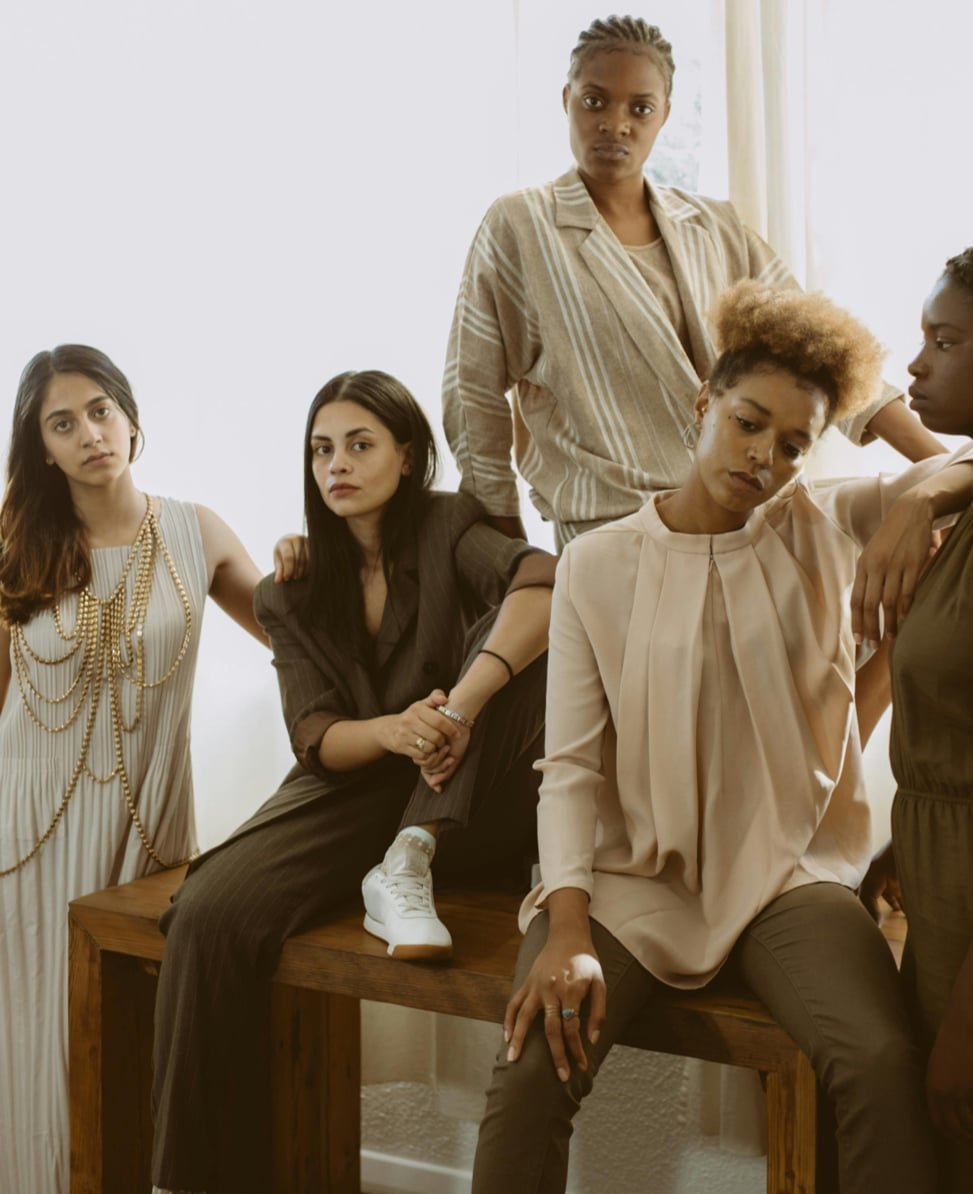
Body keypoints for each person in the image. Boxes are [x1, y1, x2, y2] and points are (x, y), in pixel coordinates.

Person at [470, 282, 973, 1194]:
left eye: (792, 443)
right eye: (746, 423)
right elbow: (570, 766)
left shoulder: (824, 523)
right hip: (631, 881)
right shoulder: (595, 565)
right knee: (532, 1062)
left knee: (878, 1061)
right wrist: (566, 925)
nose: (761, 456)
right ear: (703, 401)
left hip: (792, 875)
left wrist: (919, 499)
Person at [150, 369, 555, 1194]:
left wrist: (459, 709)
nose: (336, 464)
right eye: (321, 449)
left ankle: (410, 854)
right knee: (208, 911)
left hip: (461, 793)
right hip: (355, 781)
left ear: (407, 455)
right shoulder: (290, 588)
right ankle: (191, 1179)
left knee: (523, 643)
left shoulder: (448, 526)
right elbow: (315, 737)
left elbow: (545, 583)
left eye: (359, 445)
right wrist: (393, 730)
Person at [443, 14, 943, 549]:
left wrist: (946, 464)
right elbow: (472, 394)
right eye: (595, 101)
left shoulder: (714, 227)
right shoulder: (521, 226)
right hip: (613, 534)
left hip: (749, 527)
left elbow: (821, 352)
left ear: (665, 114)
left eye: (640, 108)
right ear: (567, 99)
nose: (616, 124)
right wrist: (511, 549)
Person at [0, 345, 277, 1193]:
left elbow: (299, 641)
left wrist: (311, 569)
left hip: (148, 833)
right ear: (43, 449)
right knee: (36, 1043)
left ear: (128, 416)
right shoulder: (15, 546)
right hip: (24, 834)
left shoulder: (196, 532)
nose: (89, 434)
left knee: (134, 1045)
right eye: (62, 424)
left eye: (100, 411)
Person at [857, 248, 973, 1193]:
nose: (914, 363)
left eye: (945, 340)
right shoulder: (958, 507)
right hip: (938, 886)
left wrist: (966, 1028)